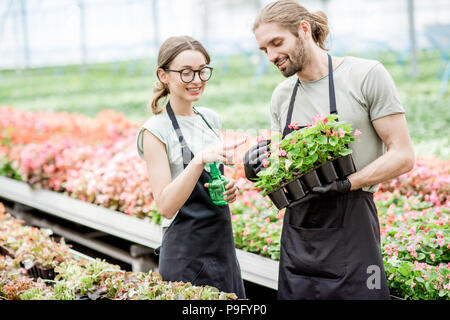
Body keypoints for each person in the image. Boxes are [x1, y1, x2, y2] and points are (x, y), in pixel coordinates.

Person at [244, 0, 415, 300]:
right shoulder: (282, 95)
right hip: (298, 234)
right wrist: (259, 162)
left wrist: (348, 182)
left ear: (304, 30)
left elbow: (403, 155)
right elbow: (283, 162)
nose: (271, 56)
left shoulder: (365, 75)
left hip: (352, 227)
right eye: (264, 49)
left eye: (276, 43)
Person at [136, 36, 246, 298]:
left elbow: (213, 178)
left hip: (222, 249)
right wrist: (198, 161)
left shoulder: (210, 119)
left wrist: (228, 187)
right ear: (163, 75)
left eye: (202, 71)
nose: (196, 80)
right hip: (186, 257)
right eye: (186, 72)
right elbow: (165, 205)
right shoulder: (155, 130)